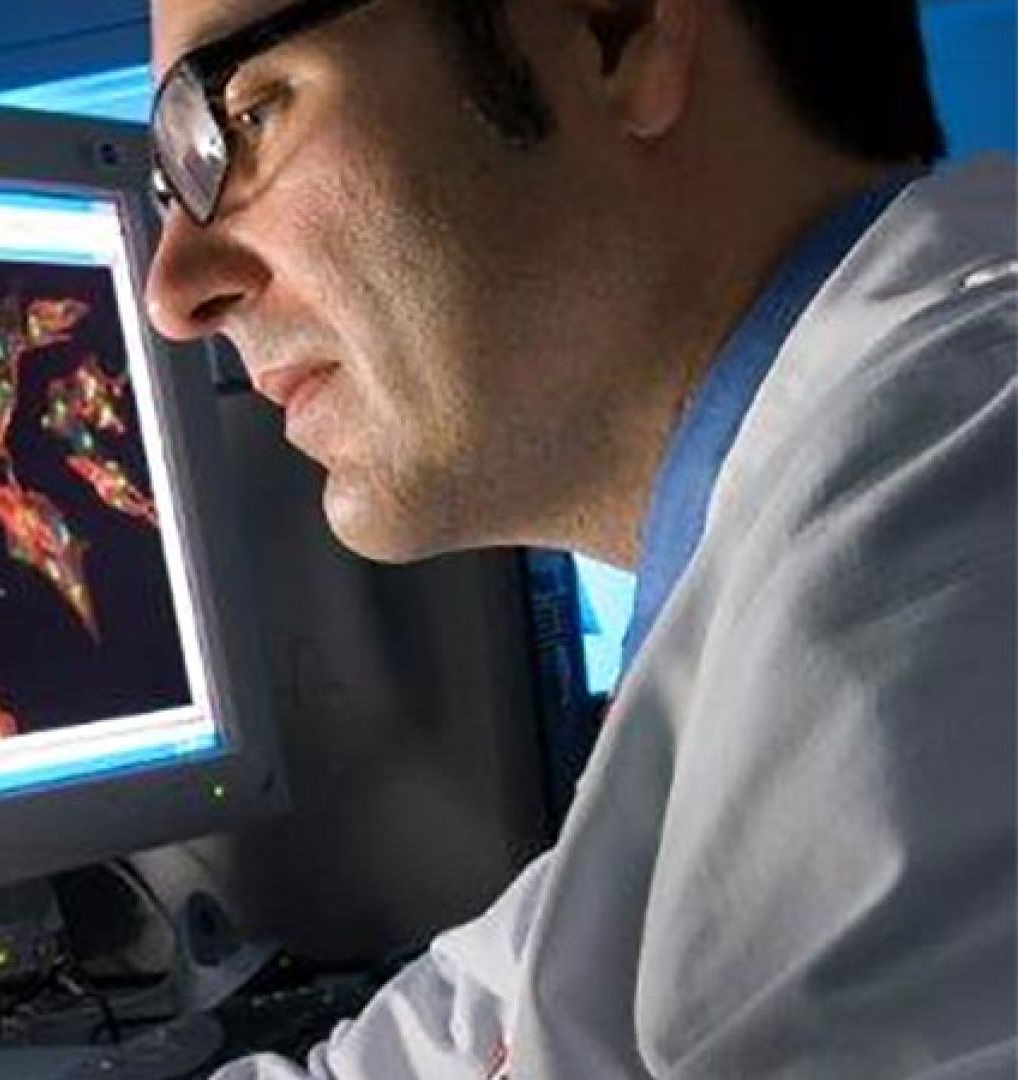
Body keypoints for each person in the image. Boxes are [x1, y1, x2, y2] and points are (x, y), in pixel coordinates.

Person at [143, 0, 1017, 1075]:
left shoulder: (962, 494)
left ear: (616, 32)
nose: (171, 291)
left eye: (242, 117)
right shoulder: (798, 563)